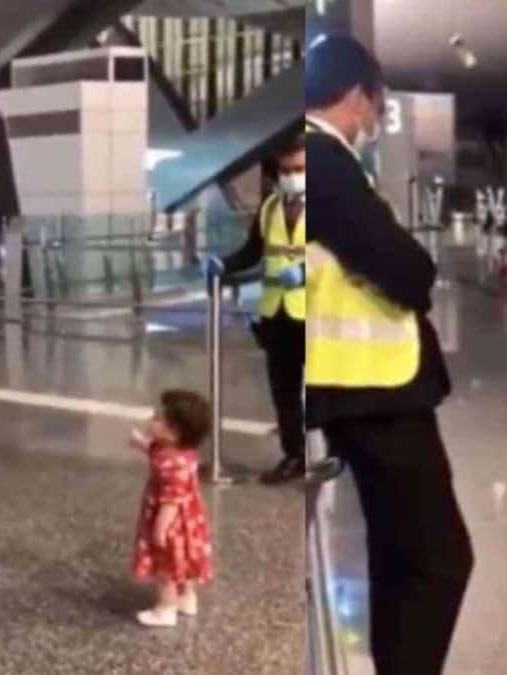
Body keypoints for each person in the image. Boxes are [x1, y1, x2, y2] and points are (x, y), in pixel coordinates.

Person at [305, 35, 474, 675]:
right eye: (376, 109)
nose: (376, 124)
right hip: (371, 393)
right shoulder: (323, 162)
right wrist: (420, 263)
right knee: (440, 558)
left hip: (356, 388)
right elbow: (405, 270)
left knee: (398, 548)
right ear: (356, 97)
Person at [205, 135, 306, 485]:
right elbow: (252, 252)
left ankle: (335, 454)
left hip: (315, 313)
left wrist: (306, 273)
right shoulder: (270, 208)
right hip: (277, 311)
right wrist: (224, 263)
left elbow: (340, 256)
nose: (292, 176)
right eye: (286, 170)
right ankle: (296, 454)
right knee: (284, 388)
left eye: (300, 169)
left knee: (327, 389)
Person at [129, 390, 214, 628]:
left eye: (157, 418)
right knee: (183, 562)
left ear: (174, 432)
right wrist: (140, 444)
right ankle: (187, 598)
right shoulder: (181, 454)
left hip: (172, 523)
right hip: (190, 522)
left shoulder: (171, 463)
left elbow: (171, 500)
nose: (150, 419)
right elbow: (154, 452)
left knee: (165, 567)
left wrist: (160, 528)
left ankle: (165, 609)